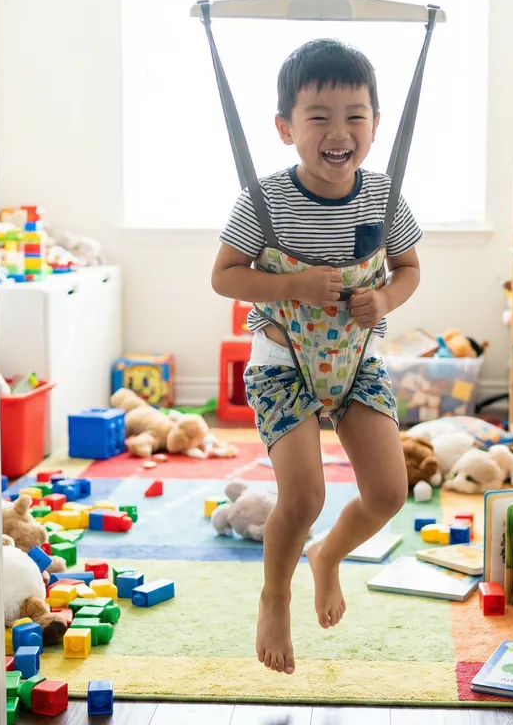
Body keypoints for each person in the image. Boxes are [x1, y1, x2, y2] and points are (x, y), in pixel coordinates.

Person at [211, 38, 422, 675]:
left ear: (376, 124)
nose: (340, 132)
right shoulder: (265, 200)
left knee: (389, 493)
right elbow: (225, 276)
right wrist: (291, 286)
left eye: (355, 115)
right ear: (285, 128)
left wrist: (383, 298)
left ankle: (327, 556)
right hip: (283, 364)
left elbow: (410, 269)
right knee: (301, 499)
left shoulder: (384, 199)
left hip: (356, 361)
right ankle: (275, 595)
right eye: (319, 117)